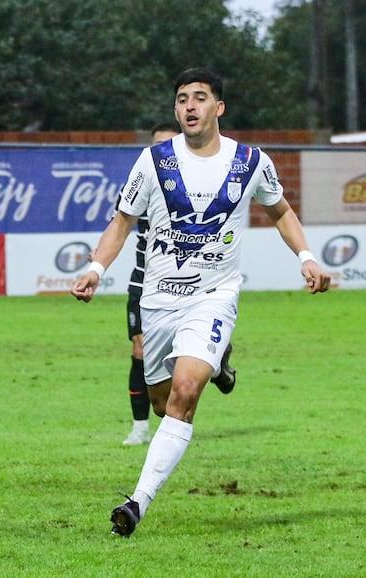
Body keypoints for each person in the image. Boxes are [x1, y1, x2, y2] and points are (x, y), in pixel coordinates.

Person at [71, 68, 330, 537]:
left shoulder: (250, 161)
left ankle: (136, 504)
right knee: (162, 402)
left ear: (218, 108)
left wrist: (307, 257)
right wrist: (95, 269)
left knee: (186, 394)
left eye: (199, 98)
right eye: (182, 100)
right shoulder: (153, 161)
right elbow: (121, 222)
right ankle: (220, 361)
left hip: (213, 295)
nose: (189, 106)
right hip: (158, 301)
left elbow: (281, 211)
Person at [118, 121, 236, 447]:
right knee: (139, 351)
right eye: (157, 144)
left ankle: (211, 364)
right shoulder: (143, 176)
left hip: (192, 286)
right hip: (144, 283)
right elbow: (121, 221)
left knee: (186, 359)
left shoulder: (198, 187)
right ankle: (140, 426)